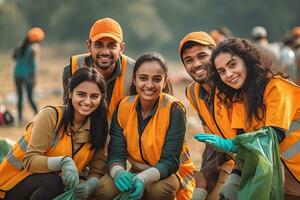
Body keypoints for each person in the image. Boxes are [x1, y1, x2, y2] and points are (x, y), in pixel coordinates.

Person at [198, 38, 300, 199]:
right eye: (221, 71)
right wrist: (233, 182)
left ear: (247, 61)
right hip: (283, 182)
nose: (228, 74)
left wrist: (232, 144)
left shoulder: (277, 87)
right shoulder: (239, 100)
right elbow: (247, 151)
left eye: (232, 65)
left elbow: (273, 136)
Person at [96, 52, 195, 200]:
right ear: (134, 80)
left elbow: (170, 161)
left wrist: (143, 178)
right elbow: (116, 151)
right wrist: (118, 172)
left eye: (156, 79)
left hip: (169, 174)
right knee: (104, 187)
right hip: (135, 173)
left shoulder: (174, 109)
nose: (149, 85)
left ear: (165, 81)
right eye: (143, 78)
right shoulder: (123, 106)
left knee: (158, 190)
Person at [0, 68, 108, 200]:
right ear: (70, 93)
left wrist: (90, 185)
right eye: (81, 94)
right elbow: (30, 160)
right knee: (53, 182)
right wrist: (64, 162)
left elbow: (97, 170)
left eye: (94, 96)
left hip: (52, 188)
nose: (87, 101)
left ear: (102, 98)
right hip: (12, 183)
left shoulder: (100, 128)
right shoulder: (52, 116)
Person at [178, 31, 237, 200]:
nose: (196, 64)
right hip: (224, 161)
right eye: (189, 60)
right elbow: (211, 139)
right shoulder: (193, 92)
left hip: (248, 162)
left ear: (216, 55)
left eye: (202, 56)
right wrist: (205, 177)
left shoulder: (232, 85)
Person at [62, 17, 135, 120]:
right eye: (98, 45)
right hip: (82, 133)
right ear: (89, 45)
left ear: (121, 48)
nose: (105, 52)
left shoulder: (135, 72)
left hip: (122, 133)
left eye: (111, 46)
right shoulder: (71, 70)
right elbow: (68, 111)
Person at [12, 27, 45, 123]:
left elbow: (14, 57)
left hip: (17, 73)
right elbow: (34, 66)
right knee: (30, 97)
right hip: (27, 75)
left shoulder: (19, 45)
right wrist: (35, 79)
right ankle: (39, 116)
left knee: (20, 96)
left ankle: (20, 118)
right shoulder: (34, 48)